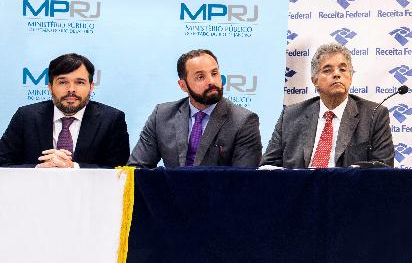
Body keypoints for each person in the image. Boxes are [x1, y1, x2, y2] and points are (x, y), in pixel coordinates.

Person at [261, 43, 394, 168]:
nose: (336, 74)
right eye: (328, 70)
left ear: (350, 77)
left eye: (342, 69)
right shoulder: (290, 116)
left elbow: (383, 169)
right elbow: (267, 166)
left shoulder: (374, 115)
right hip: (299, 184)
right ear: (315, 81)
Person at [128, 49, 262, 168]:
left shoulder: (243, 121)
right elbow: (137, 167)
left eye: (214, 73)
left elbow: (244, 179)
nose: (211, 81)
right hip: (170, 188)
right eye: (200, 77)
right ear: (183, 85)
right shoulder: (162, 115)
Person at [0, 53, 129, 168]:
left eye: (80, 82)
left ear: (91, 87)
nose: (71, 89)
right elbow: (3, 162)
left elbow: (119, 170)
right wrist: (39, 169)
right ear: (50, 87)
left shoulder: (112, 120)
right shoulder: (26, 116)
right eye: (62, 82)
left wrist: (74, 167)